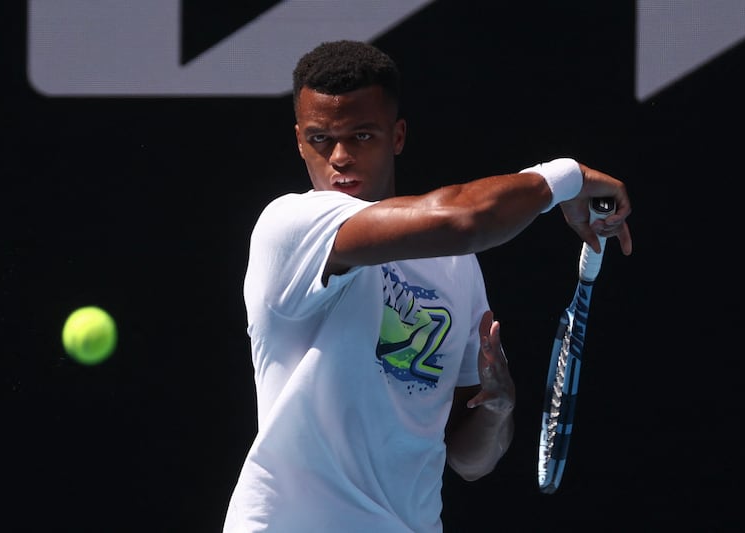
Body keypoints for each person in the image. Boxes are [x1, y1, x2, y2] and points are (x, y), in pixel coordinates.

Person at [223, 40, 632, 532]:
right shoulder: (291, 225)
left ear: (397, 136)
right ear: (298, 141)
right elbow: (465, 219)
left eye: (362, 136)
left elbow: (470, 461)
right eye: (319, 139)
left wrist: (497, 410)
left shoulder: (456, 268)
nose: (340, 158)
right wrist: (568, 178)